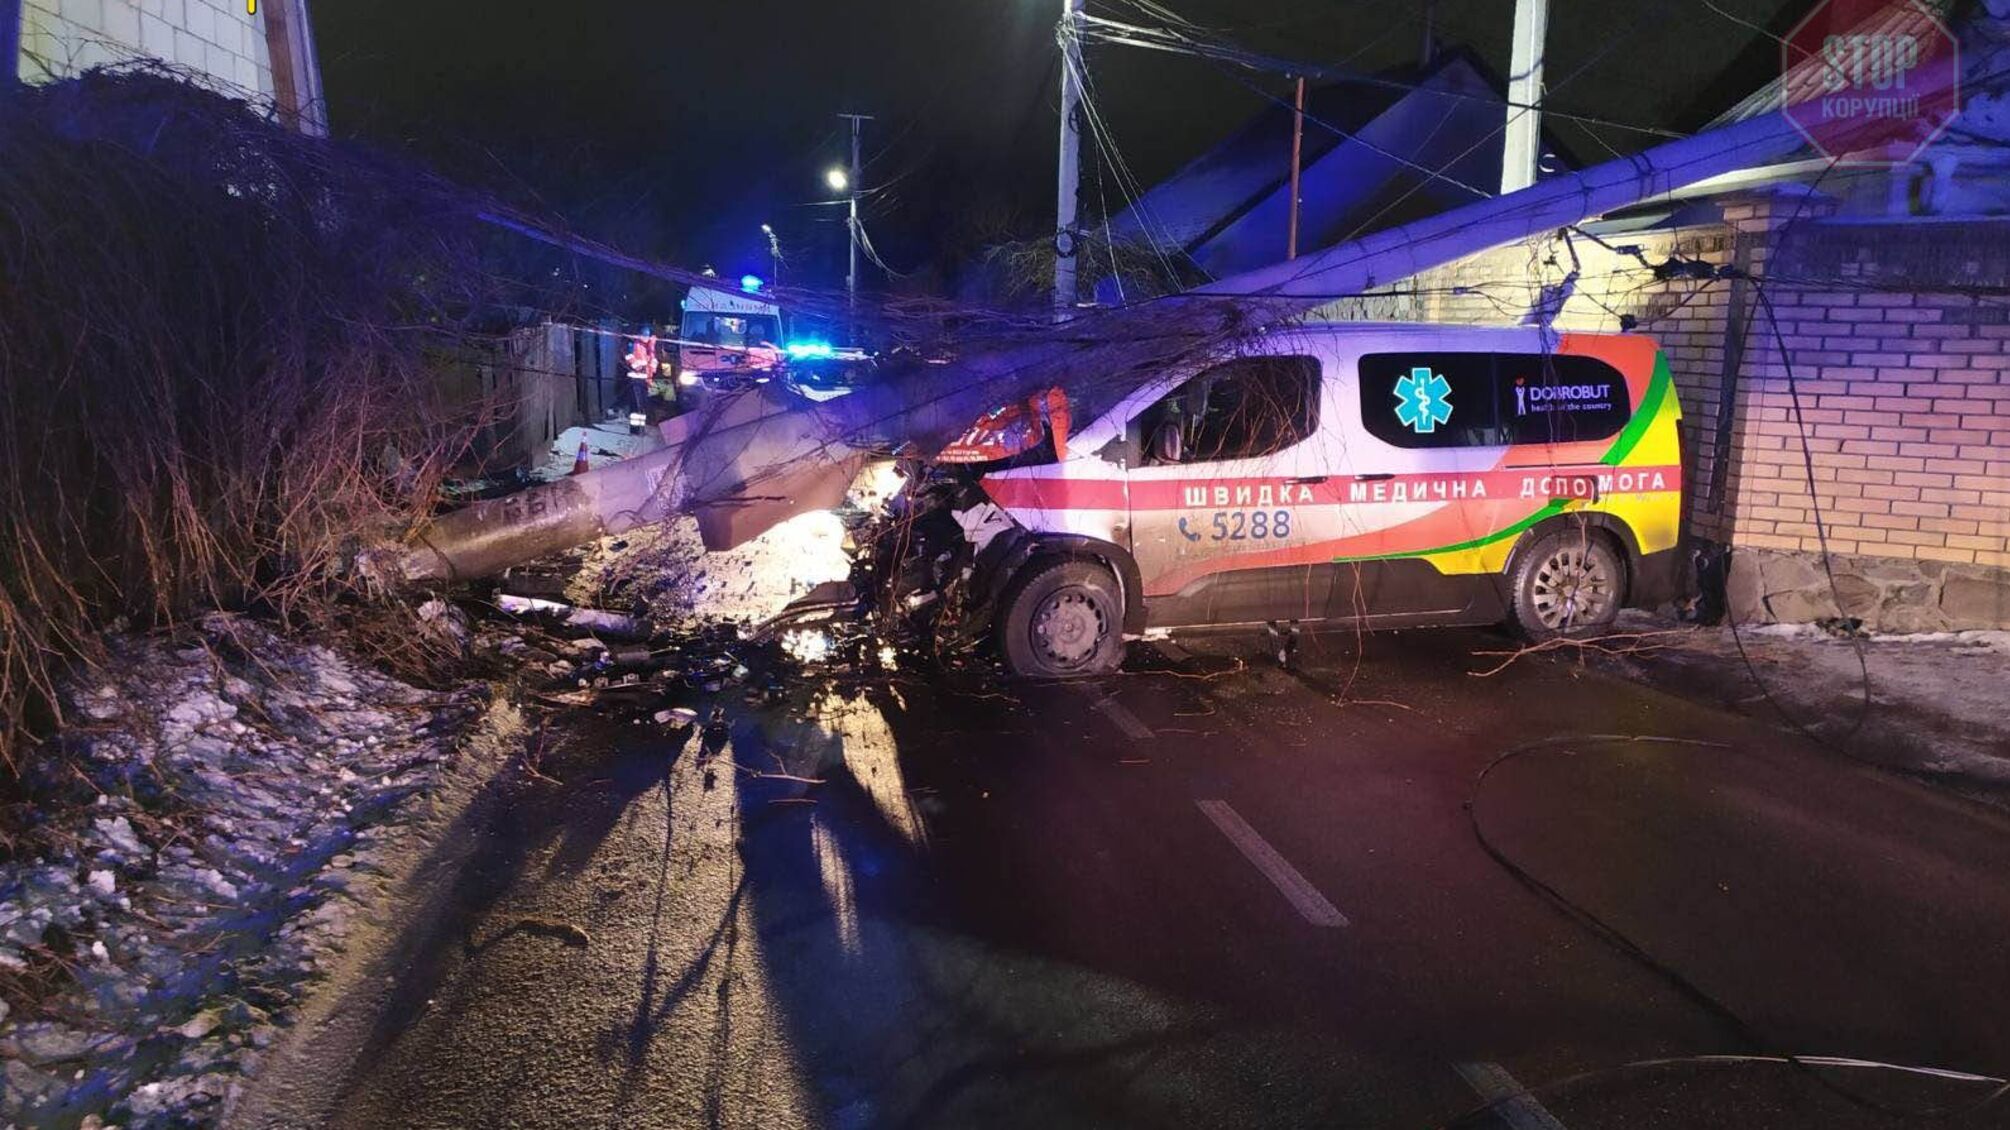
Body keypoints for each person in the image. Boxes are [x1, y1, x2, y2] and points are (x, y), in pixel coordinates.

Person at [624, 326, 658, 416]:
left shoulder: (650, 347)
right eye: (644, 335)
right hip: (635, 379)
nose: (646, 337)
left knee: (643, 406)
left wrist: (650, 377)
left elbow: (653, 361)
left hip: (645, 379)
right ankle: (635, 428)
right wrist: (638, 367)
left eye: (647, 335)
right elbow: (629, 357)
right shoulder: (633, 344)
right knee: (636, 405)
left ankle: (641, 427)